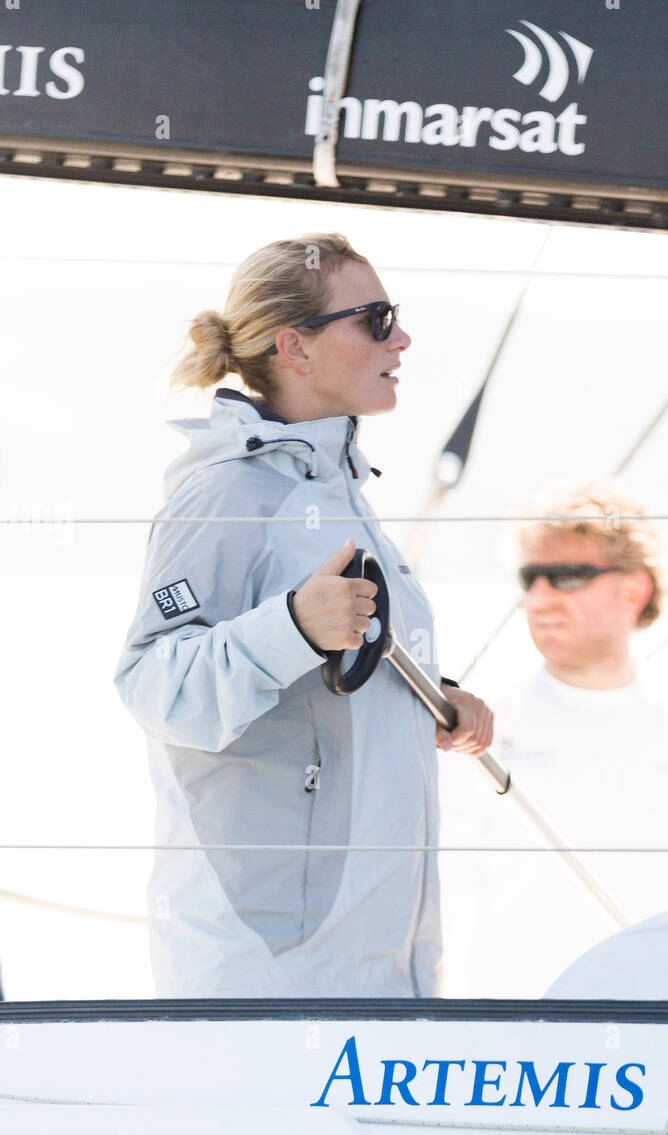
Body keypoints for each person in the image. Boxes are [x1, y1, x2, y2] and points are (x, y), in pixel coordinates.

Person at [114, 233, 492, 997]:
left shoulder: (338, 485)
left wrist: (433, 698)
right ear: (297, 347)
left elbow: (331, 672)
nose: (403, 338)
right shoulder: (225, 493)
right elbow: (151, 683)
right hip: (271, 966)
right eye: (376, 319)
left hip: (381, 957)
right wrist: (291, 627)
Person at [439, 481, 668, 997]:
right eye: (531, 577)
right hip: (518, 1037)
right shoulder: (472, 733)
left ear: (634, 591)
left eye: (566, 577)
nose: (539, 597)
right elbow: (435, 903)